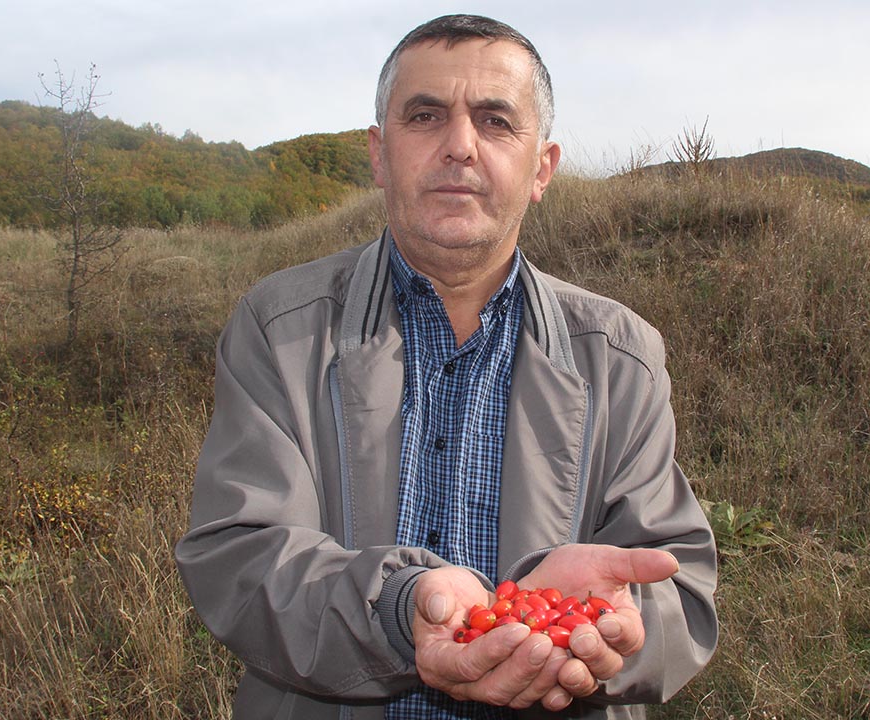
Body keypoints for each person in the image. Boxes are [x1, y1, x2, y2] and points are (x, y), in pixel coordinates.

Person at [175, 14, 718, 720]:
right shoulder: (279, 329)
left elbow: (683, 590)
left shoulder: (622, 356)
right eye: (426, 115)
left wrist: (617, 626)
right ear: (379, 153)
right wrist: (398, 611)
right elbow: (239, 555)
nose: (459, 146)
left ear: (541, 168)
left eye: (495, 121)